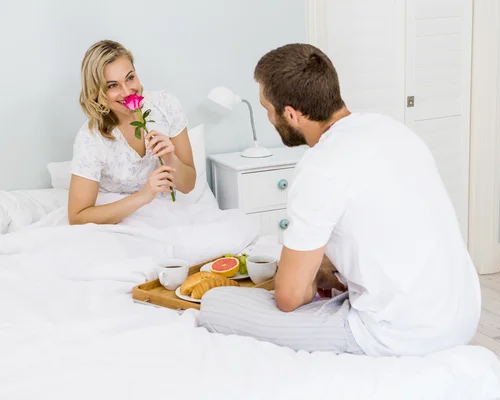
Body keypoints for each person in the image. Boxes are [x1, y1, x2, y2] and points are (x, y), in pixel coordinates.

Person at [196, 43, 481, 357]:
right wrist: (321, 267)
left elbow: (289, 299)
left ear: (290, 114)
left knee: (215, 305)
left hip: (399, 334)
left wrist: (303, 279)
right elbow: (384, 230)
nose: (268, 117)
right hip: (462, 316)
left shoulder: (319, 166)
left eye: (268, 109)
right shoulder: (392, 130)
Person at [68, 40, 196, 225]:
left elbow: (189, 185)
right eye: (112, 85)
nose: (127, 91)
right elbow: (77, 217)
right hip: (114, 221)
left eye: (130, 78)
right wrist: (144, 196)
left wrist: (170, 158)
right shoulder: (91, 138)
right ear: (97, 92)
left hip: (166, 217)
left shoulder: (166, 105)